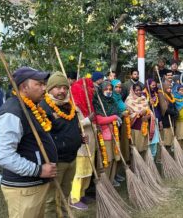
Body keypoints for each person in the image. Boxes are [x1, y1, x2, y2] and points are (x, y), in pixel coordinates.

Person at [0, 67, 57, 217]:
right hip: (24, 189)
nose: (44, 88)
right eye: (39, 84)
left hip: (34, 185)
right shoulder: (12, 112)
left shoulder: (30, 106)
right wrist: (38, 170)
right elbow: (3, 155)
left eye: (44, 84)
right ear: (23, 87)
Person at [41, 72, 83, 217]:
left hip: (72, 158)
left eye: (65, 87)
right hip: (56, 161)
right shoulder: (43, 107)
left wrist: (79, 137)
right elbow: (43, 137)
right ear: (50, 89)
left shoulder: (69, 105)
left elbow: (70, 126)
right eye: (57, 87)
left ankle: (64, 215)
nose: (62, 91)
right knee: (52, 198)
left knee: (65, 193)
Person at [69, 78, 96, 210]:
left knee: (88, 171)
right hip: (81, 144)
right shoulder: (74, 105)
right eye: (88, 88)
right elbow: (75, 125)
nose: (91, 91)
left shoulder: (89, 104)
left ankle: (82, 194)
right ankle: (74, 198)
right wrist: (88, 119)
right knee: (79, 172)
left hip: (91, 142)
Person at [93, 82, 122, 186]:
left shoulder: (113, 100)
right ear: (101, 90)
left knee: (114, 158)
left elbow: (118, 113)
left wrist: (116, 118)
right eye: (106, 89)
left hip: (114, 134)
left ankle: (111, 180)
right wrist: (113, 118)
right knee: (106, 160)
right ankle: (103, 183)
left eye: (110, 89)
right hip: (104, 136)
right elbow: (99, 119)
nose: (109, 91)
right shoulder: (97, 101)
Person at [125, 84, 155, 156]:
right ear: (133, 91)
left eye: (140, 90)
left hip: (144, 126)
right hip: (135, 128)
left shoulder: (143, 98)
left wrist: (147, 115)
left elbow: (150, 111)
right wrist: (140, 113)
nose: (138, 92)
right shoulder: (129, 100)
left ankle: (144, 164)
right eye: (136, 90)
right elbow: (129, 114)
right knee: (136, 148)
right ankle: (136, 164)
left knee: (144, 147)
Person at [158, 82, 179, 155]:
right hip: (165, 120)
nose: (170, 89)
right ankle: (163, 155)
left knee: (170, 139)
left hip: (171, 120)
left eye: (170, 88)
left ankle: (169, 153)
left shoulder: (170, 95)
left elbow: (173, 104)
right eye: (168, 88)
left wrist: (176, 112)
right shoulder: (161, 95)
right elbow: (164, 108)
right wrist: (173, 113)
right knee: (166, 139)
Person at [143, 79, 162, 157]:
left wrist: (160, 120)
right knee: (148, 139)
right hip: (148, 120)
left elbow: (157, 108)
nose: (154, 87)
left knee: (155, 139)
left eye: (155, 85)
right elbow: (142, 106)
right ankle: (148, 157)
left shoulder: (155, 94)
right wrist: (148, 103)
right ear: (148, 85)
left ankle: (153, 157)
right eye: (152, 85)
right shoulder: (143, 94)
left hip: (156, 119)